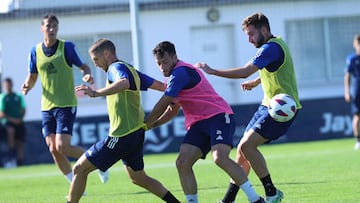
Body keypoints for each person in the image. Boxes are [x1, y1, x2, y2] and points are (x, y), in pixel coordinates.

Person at [195, 12, 302, 203]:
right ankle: (229, 199)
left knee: (247, 146)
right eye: (247, 35)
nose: (249, 39)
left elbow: (244, 71)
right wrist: (256, 81)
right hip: (267, 105)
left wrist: (212, 71)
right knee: (242, 152)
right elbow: (274, 71)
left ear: (264, 29)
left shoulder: (269, 48)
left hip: (281, 110)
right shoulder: (277, 44)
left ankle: (271, 193)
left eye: (251, 34)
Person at [145, 41, 265, 203]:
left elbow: (164, 102)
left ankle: (255, 199)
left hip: (219, 116)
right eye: (158, 64)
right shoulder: (172, 79)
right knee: (182, 162)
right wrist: (153, 125)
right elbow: (172, 110)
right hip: (198, 124)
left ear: (175, 57)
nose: (162, 67)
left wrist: (146, 122)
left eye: (165, 62)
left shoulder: (181, 73)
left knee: (219, 157)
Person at [68, 38, 181, 203]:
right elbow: (162, 87)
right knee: (139, 178)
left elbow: (124, 82)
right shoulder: (130, 69)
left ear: (107, 54)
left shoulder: (116, 68)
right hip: (135, 133)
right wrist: (178, 97)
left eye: (96, 60)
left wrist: (96, 93)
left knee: (79, 169)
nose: (96, 64)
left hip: (122, 136)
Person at [21, 14, 109, 187]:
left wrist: (87, 75)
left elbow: (84, 67)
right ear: (42, 28)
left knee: (62, 146)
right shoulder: (35, 51)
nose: (52, 29)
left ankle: (100, 161)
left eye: (55, 26)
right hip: (46, 106)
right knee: (53, 149)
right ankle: (74, 186)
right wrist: (27, 86)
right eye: (48, 26)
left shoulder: (67, 47)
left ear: (58, 28)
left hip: (66, 103)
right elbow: (32, 76)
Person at [0, 77, 26, 168]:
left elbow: (23, 109)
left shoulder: (18, 96)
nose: (8, 86)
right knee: (11, 131)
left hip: (19, 122)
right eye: (6, 85)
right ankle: (11, 158)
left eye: (9, 84)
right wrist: (12, 120)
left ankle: (20, 161)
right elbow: (1, 113)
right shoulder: (3, 97)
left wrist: (20, 119)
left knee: (20, 142)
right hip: (7, 123)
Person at [344, 34, 360, 150]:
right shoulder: (352, 59)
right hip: (357, 91)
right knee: (357, 116)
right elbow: (347, 76)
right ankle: (358, 140)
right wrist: (347, 92)